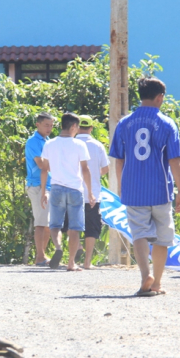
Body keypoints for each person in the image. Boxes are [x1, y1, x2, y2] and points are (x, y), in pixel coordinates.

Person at [109, 77, 180, 296]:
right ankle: (158, 283)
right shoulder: (167, 123)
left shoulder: (124, 123)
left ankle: (145, 276)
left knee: (139, 233)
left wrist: (122, 186)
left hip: (133, 188)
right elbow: (174, 160)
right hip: (161, 189)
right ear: (160, 97)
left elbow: (119, 159)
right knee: (162, 236)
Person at [39, 112, 96, 271]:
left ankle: (58, 247)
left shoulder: (49, 144)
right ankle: (71, 263)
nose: (77, 130)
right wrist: (90, 192)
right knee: (75, 228)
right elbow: (85, 170)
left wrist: (43, 191)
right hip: (75, 190)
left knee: (55, 224)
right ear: (72, 126)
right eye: (77, 127)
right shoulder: (79, 145)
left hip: (56, 188)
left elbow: (44, 170)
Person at [25, 112, 59, 266]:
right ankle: (40, 257)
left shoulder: (49, 141)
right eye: (46, 125)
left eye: (51, 125)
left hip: (48, 185)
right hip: (37, 185)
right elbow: (41, 165)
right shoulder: (33, 142)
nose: (49, 128)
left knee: (46, 224)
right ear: (37, 124)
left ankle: (42, 256)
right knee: (40, 223)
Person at [76, 115, 109, 269]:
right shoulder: (97, 145)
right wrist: (95, 174)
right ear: (91, 128)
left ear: (76, 127)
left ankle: (73, 257)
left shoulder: (71, 144)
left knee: (72, 226)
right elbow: (106, 168)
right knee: (92, 227)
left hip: (72, 191)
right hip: (93, 193)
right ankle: (87, 262)